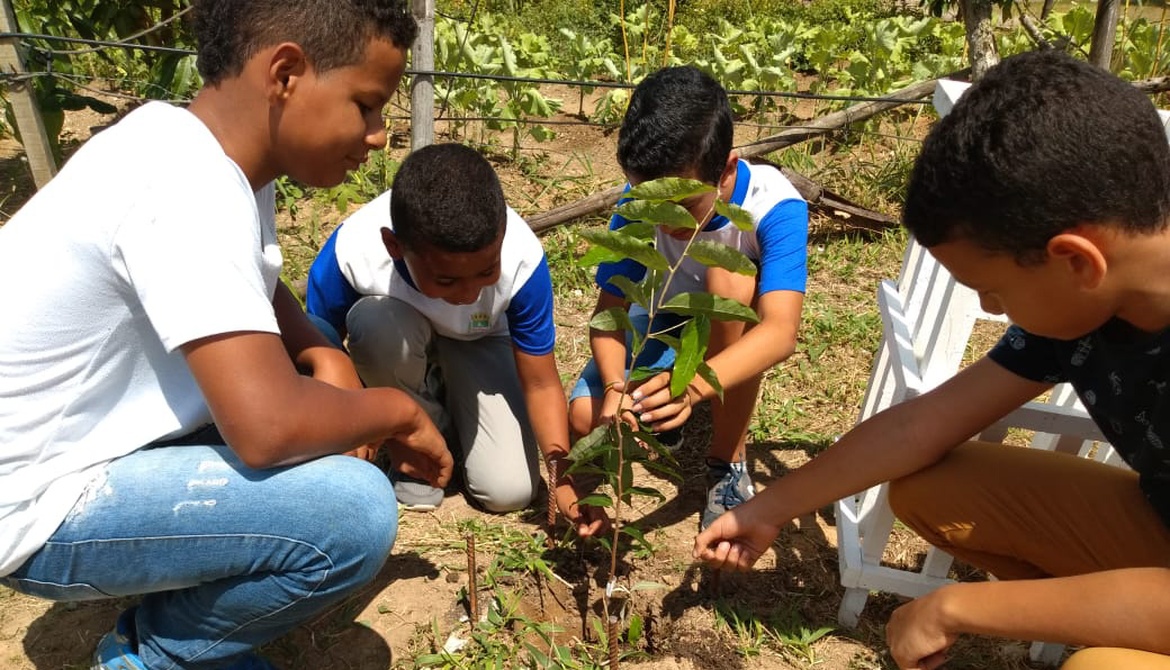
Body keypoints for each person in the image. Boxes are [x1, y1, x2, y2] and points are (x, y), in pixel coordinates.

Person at [0, 1, 455, 668]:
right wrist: (400, 411)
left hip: (69, 447)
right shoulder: (189, 187)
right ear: (286, 74)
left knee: (309, 380)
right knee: (352, 512)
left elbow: (253, 280)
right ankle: (149, 654)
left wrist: (320, 350)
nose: (379, 135)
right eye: (366, 105)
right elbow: (267, 429)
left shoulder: (195, 145)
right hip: (30, 505)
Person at [695, 50, 1170, 670]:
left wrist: (957, 609)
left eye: (992, 290)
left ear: (1076, 260)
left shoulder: (1079, 295)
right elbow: (922, 427)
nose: (991, 308)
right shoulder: (1087, 302)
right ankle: (1112, 621)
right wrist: (768, 509)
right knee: (935, 489)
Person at [305, 142, 608, 537]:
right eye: (446, 280)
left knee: (509, 491)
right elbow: (319, 348)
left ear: (502, 235)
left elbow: (540, 383)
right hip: (397, 337)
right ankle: (413, 439)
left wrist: (560, 476)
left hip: (480, 341)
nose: (467, 294)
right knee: (374, 323)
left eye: (486, 272)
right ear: (395, 247)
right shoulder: (353, 250)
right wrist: (350, 424)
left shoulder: (522, 259)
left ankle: (445, 408)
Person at [568, 65, 809, 531]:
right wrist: (615, 390)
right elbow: (609, 314)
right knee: (584, 417)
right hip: (661, 321)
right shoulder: (641, 201)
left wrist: (694, 386)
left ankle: (726, 462)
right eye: (652, 205)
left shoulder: (774, 206)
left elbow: (780, 331)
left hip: (730, 327)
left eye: (683, 208)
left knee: (728, 278)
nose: (666, 224)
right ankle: (666, 418)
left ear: (727, 170)